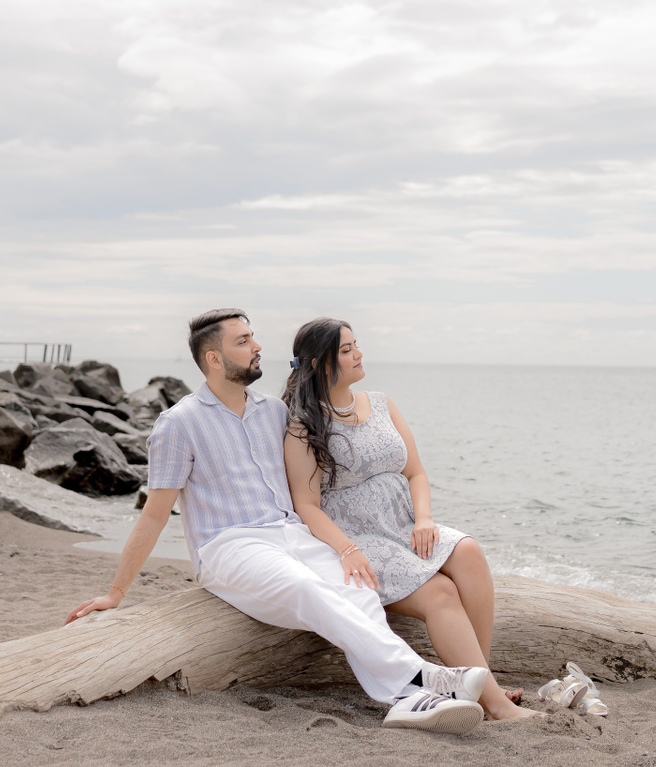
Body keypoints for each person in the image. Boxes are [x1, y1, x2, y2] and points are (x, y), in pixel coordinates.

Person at [65, 308, 489, 734]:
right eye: (243, 341)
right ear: (214, 358)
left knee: (360, 591)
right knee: (305, 587)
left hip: (291, 534)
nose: (257, 346)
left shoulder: (273, 411)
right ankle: (423, 677)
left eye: (253, 337)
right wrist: (115, 593)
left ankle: (407, 699)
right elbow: (155, 515)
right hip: (229, 545)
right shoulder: (179, 424)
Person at [282, 317, 537, 722]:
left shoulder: (381, 404)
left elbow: (415, 472)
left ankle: (480, 682)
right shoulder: (303, 427)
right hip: (357, 538)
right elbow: (307, 504)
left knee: (469, 551)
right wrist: (346, 550)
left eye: (355, 345)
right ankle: (496, 705)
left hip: (404, 525)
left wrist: (424, 519)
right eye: (346, 350)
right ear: (318, 364)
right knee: (441, 593)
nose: (359, 354)